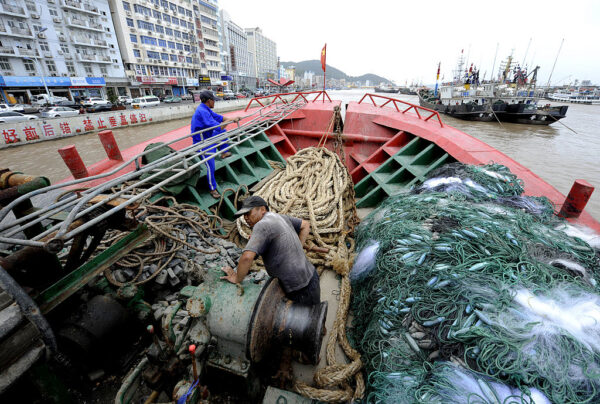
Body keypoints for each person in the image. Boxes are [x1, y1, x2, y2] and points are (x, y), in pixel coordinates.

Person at [220, 196, 328, 305]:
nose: (246, 218)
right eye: (244, 215)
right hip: (311, 276)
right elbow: (305, 225)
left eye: (248, 213)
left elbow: (247, 257)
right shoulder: (278, 217)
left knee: (308, 319)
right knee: (315, 314)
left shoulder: (261, 225)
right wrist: (298, 248)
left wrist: (237, 278)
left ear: (262, 209)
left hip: (299, 288)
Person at [190, 90, 239, 198]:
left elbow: (220, 118)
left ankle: (224, 152)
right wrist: (231, 121)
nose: (215, 103)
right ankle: (212, 189)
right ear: (209, 101)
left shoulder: (205, 108)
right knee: (210, 166)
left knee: (223, 133)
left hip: (208, 137)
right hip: (202, 143)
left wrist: (232, 119)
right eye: (214, 101)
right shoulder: (202, 111)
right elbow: (217, 126)